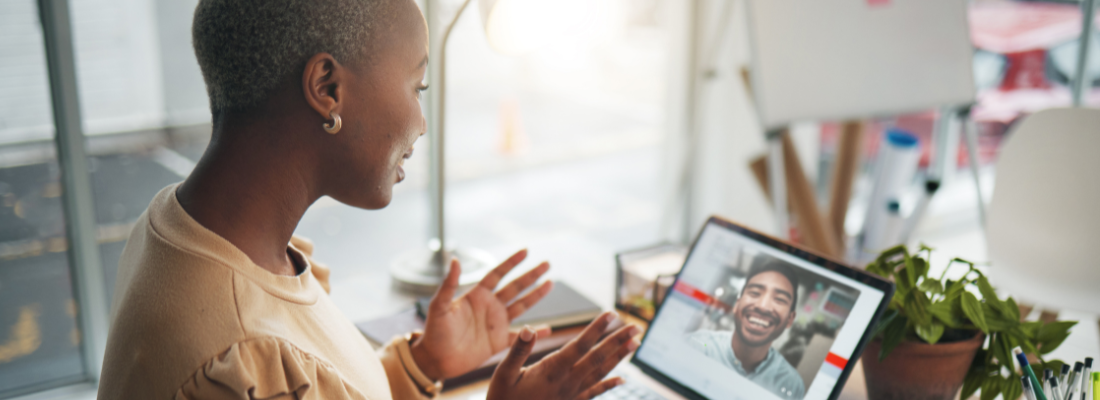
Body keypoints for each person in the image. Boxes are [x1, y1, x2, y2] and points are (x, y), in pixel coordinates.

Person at [96, 0, 639, 398]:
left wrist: (423, 361)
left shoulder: (179, 227)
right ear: (327, 89)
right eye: (416, 87)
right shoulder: (241, 354)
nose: (421, 123)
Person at [688, 261, 806, 399]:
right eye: (755, 293)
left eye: (779, 299)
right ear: (737, 305)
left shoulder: (792, 385)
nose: (763, 306)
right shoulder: (697, 346)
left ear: (790, 319)